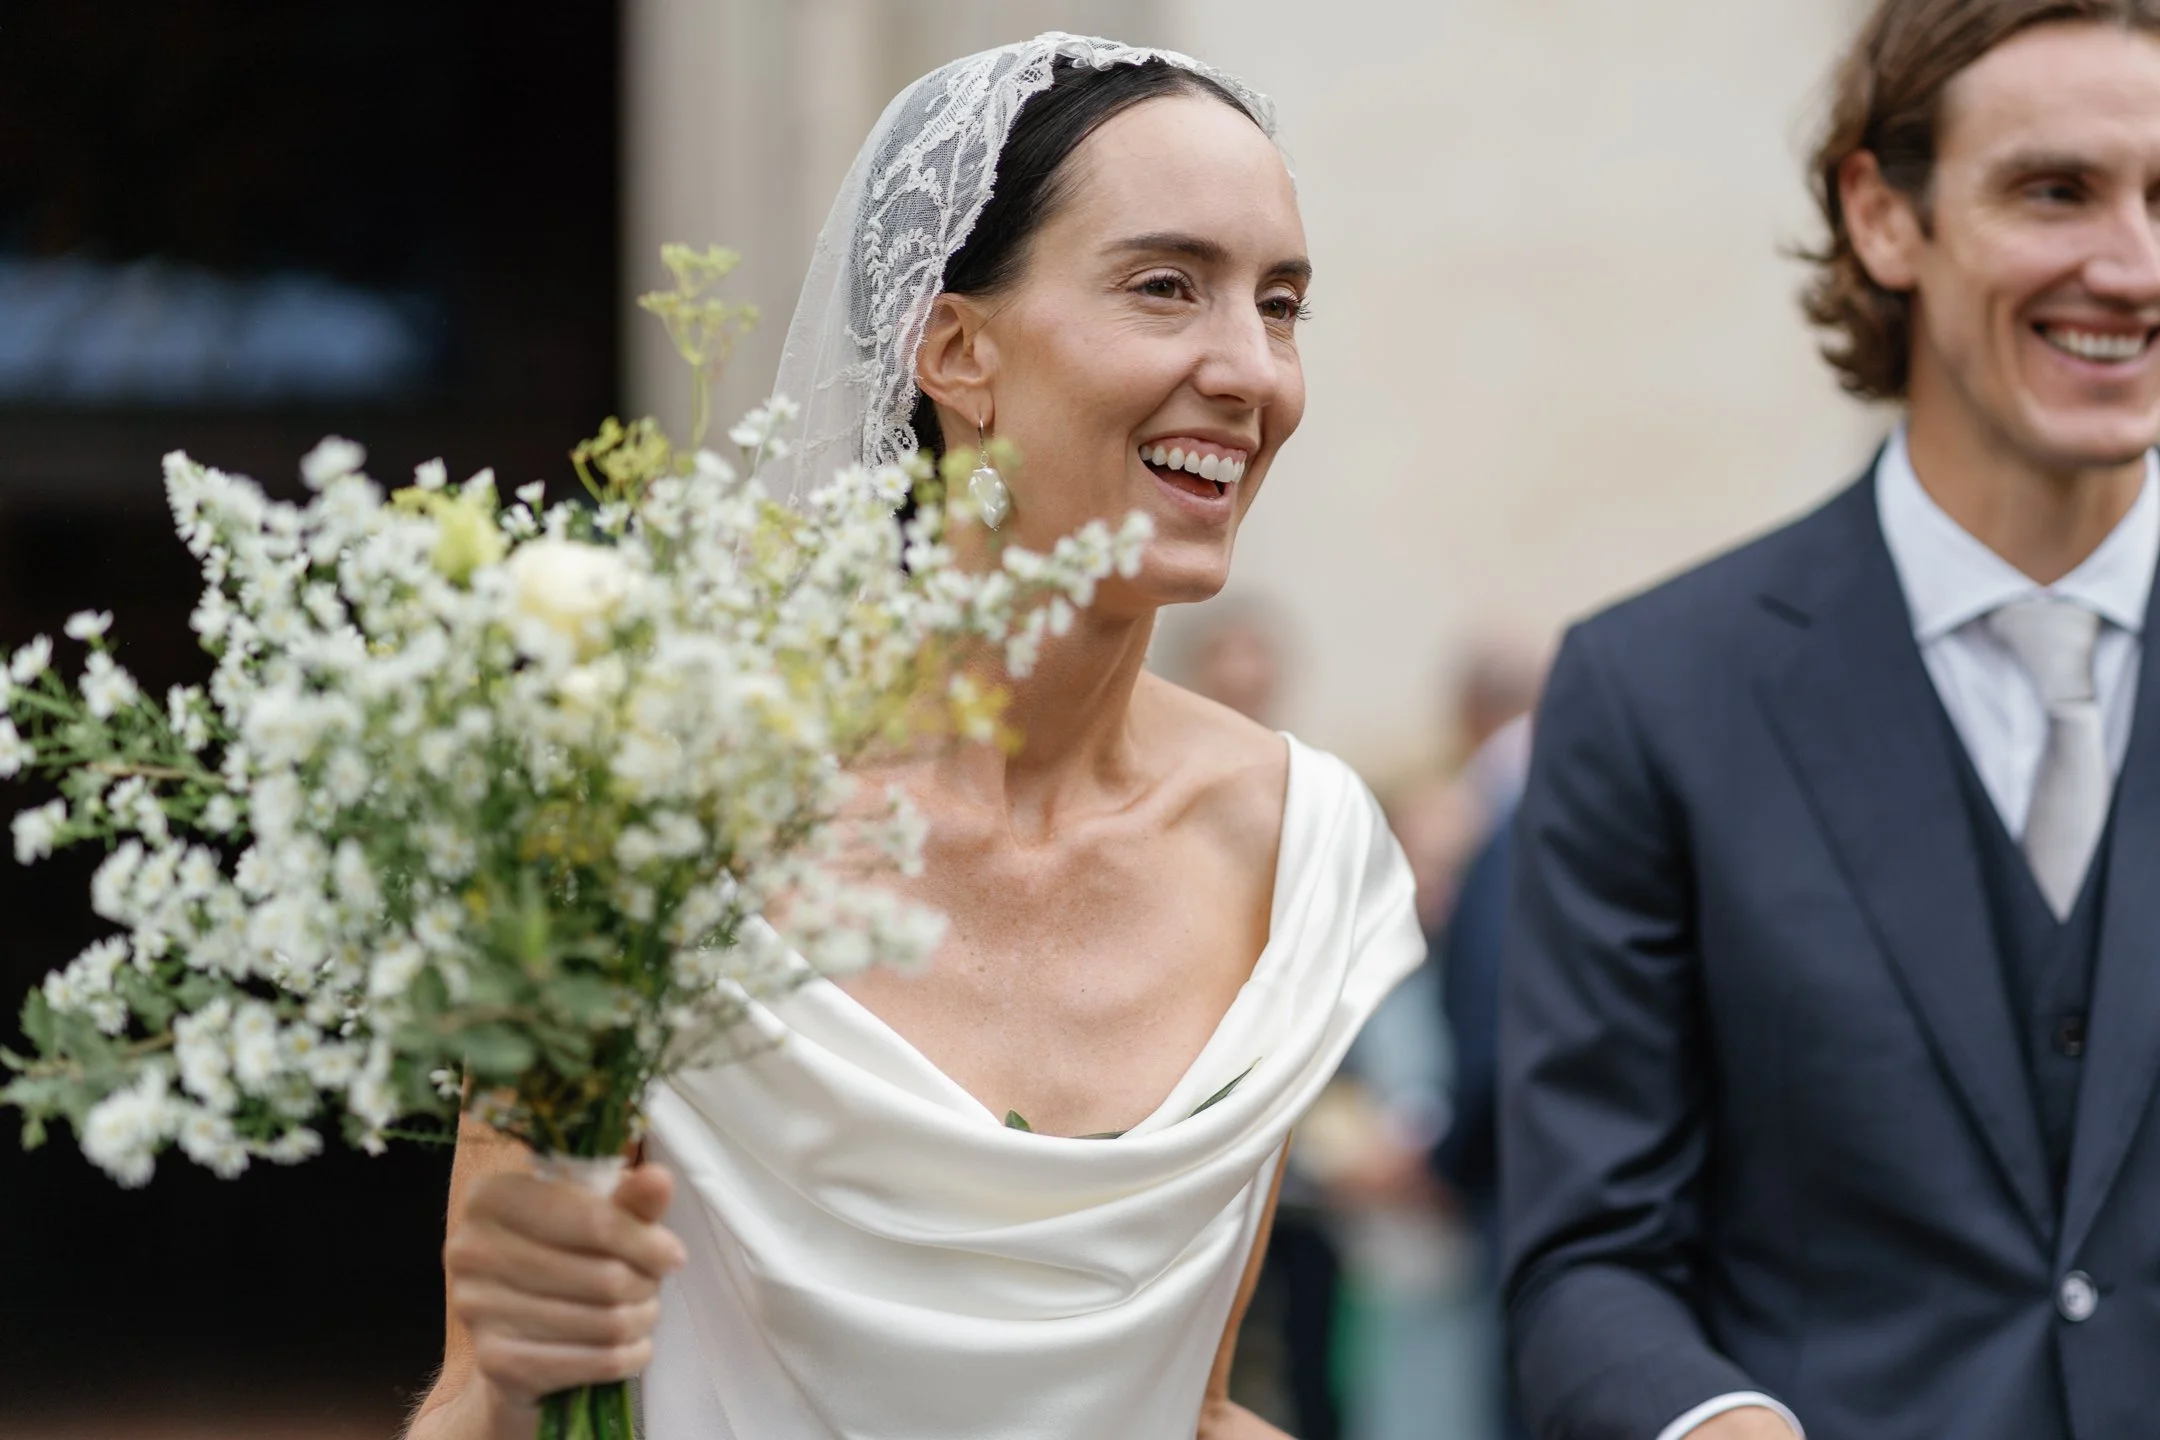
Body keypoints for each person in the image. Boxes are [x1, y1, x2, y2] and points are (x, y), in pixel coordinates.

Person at [405, 33, 1425, 1440]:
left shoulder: (1290, 847)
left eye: (1284, 303)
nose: (1251, 370)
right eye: (1166, 287)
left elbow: (1186, 1409)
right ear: (955, 351)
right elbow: (476, 1403)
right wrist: (517, 1375)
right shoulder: (651, 815)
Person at [1503, 4, 2160, 1438]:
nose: (2132, 266)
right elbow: (1586, 1262)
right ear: (1885, 217)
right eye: (2058, 190)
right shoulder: (1653, 694)